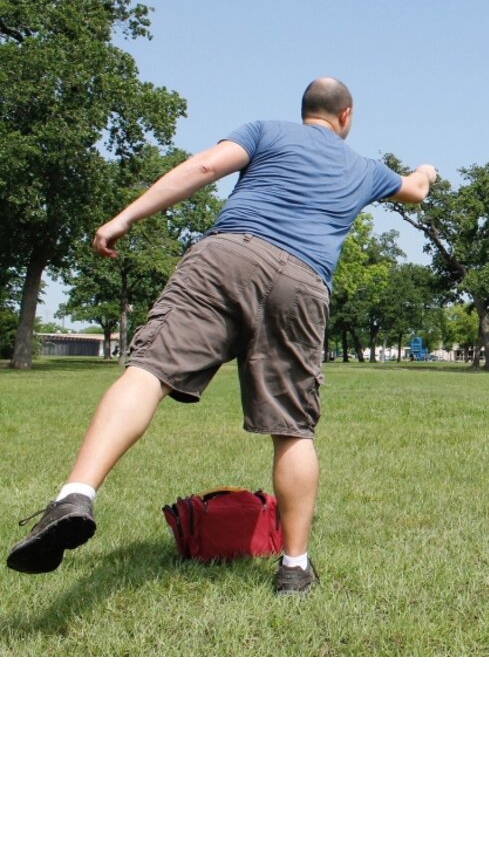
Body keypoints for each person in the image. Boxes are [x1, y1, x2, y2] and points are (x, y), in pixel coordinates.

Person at [6, 77, 437, 595]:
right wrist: (426, 171)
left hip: (226, 255)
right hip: (302, 282)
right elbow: (413, 192)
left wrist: (125, 217)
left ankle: (76, 495)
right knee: (293, 428)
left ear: (305, 111)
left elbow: (205, 167)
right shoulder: (366, 168)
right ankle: (295, 569)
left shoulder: (266, 131)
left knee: (149, 371)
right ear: (346, 116)